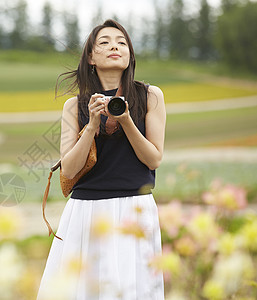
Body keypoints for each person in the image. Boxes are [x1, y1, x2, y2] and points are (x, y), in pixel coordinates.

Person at [37, 19, 166, 300]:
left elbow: (154, 159)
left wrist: (127, 120)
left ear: (130, 55)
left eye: (121, 42)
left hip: (135, 207)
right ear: (91, 57)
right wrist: (92, 124)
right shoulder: (74, 105)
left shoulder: (150, 96)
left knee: (134, 290)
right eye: (104, 42)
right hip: (86, 211)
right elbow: (69, 168)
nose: (114, 47)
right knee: (81, 291)